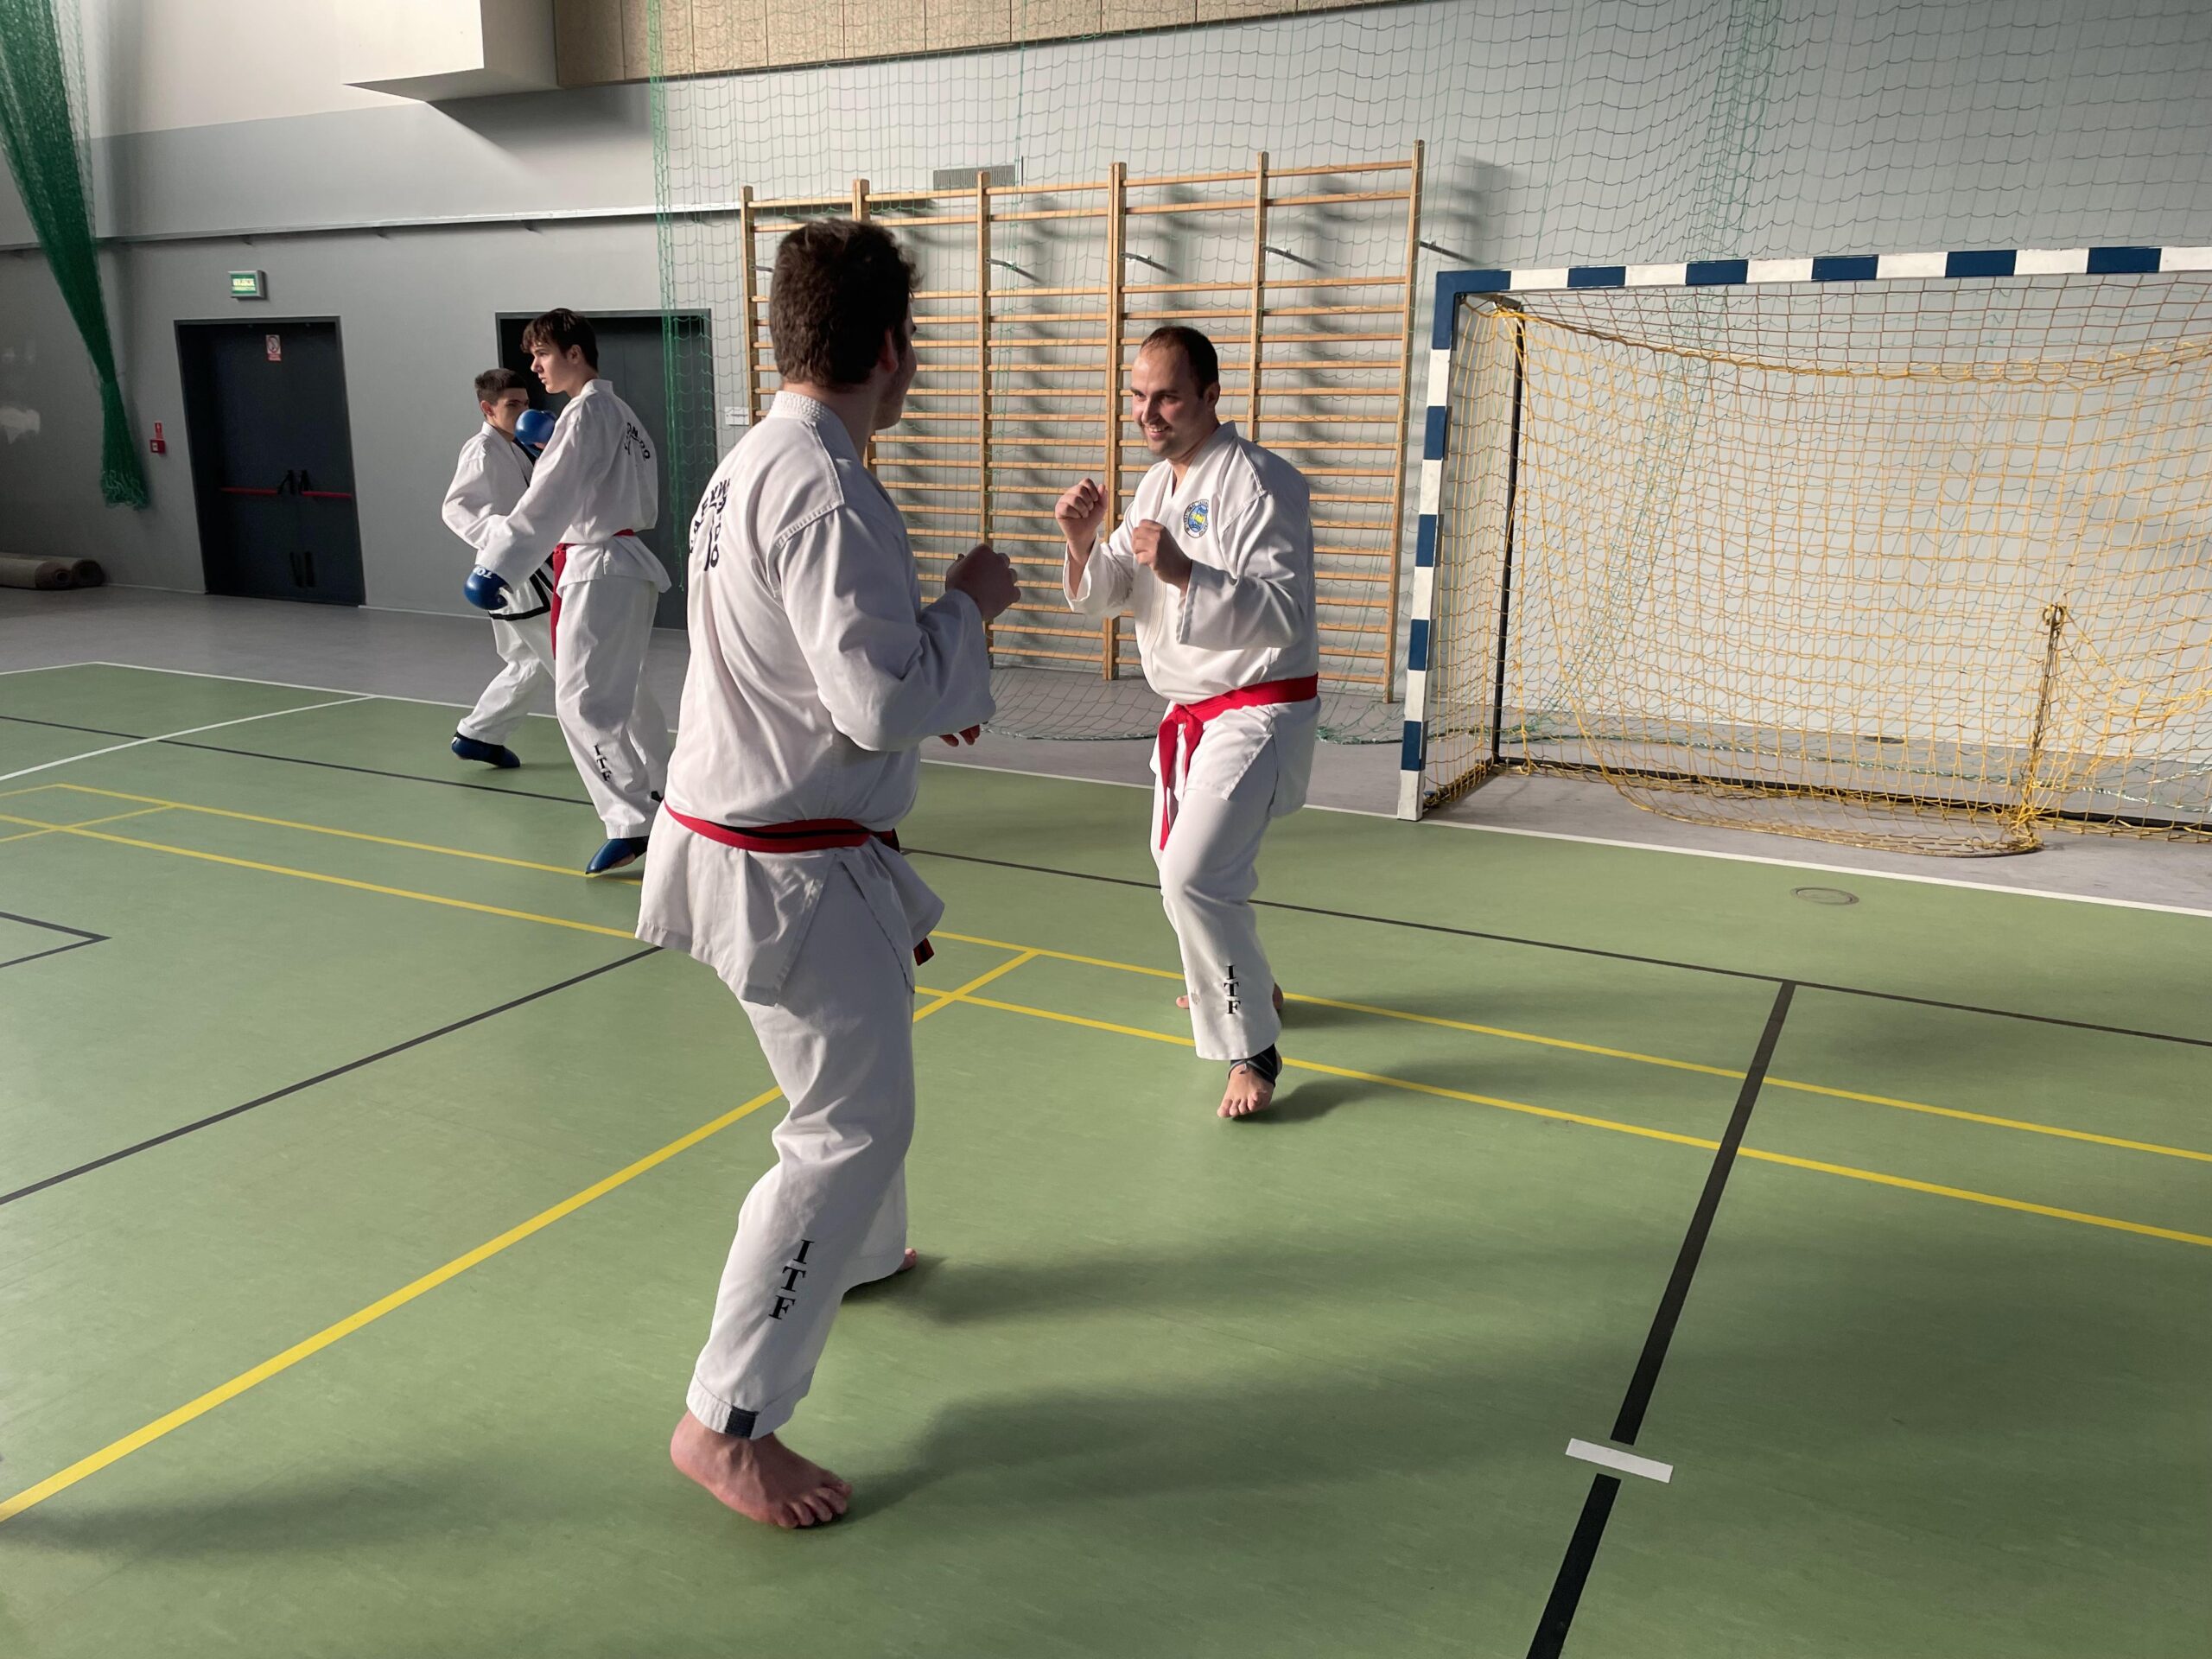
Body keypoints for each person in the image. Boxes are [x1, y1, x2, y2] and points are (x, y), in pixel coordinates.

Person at [637, 219, 1018, 1529]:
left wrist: (919, 669)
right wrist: (968, 607)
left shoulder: (759, 460)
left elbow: (820, 664)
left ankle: (856, 1251)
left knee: (861, 1100)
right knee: (847, 1127)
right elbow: (874, 701)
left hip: (757, 839)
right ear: (895, 347)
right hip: (784, 867)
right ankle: (726, 1421)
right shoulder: (827, 486)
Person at [1057, 325, 1319, 1120]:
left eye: (1167, 397)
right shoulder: (1153, 488)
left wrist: (1183, 571)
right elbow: (1114, 590)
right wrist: (1082, 543)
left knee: (1193, 874)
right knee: (1177, 865)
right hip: (1192, 714)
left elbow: (1284, 611)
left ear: (1210, 394)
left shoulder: (1261, 483)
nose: (1147, 413)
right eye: (1138, 396)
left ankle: (1253, 1048)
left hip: (1258, 708)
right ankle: (1250, 984)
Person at [464, 309, 674, 874]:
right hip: (625, 563)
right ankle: (669, 790)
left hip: (597, 566)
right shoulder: (620, 414)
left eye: (542, 354)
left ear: (574, 354)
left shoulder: (585, 414)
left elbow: (548, 501)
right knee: (626, 692)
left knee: (581, 700)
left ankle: (631, 821)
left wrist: (498, 565)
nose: (535, 367)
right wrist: (554, 442)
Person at [442, 368, 554, 770]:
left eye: (526, 403)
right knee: (570, 663)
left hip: (520, 567)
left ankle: (478, 736)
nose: (523, 411)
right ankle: (613, 756)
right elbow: (457, 508)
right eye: (512, 405)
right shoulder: (482, 450)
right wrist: (507, 534)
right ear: (488, 409)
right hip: (515, 571)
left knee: (527, 662)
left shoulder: (516, 446)